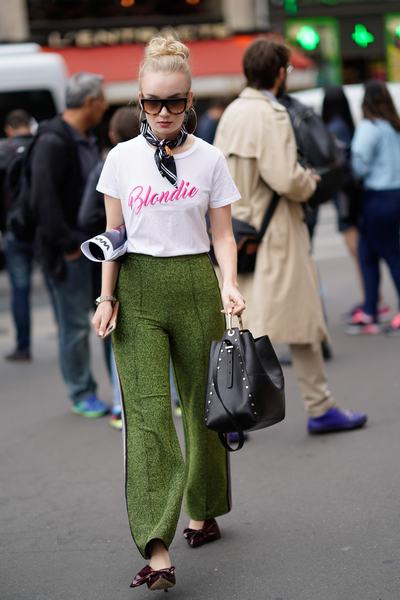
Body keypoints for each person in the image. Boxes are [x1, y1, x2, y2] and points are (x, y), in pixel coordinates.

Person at [91, 35, 245, 591]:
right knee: (148, 413)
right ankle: (157, 546)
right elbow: (113, 235)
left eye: (174, 101)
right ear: (138, 99)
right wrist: (106, 297)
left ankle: (204, 509)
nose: (163, 112)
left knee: (205, 407)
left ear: (190, 99)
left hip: (196, 284)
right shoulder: (120, 158)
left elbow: (222, 234)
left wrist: (229, 283)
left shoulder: (209, 158)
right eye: (152, 101)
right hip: (138, 289)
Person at [215, 38, 367, 435]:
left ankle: (233, 411)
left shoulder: (232, 112)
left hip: (240, 230)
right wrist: (310, 181)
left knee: (240, 324)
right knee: (303, 322)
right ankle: (321, 407)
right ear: (280, 73)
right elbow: (286, 178)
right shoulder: (272, 114)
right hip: (277, 230)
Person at [30, 72, 110, 417]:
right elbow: (43, 198)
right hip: (71, 252)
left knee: (107, 318)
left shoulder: (87, 138)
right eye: (102, 100)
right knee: (76, 327)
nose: (105, 106)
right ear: (90, 102)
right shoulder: (53, 141)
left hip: (94, 247)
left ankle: (119, 390)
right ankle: (81, 392)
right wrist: (68, 245)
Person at [79, 106, 140, 429]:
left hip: (117, 261)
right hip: (131, 261)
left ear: (113, 134)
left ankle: (119, 404)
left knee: (122, 338)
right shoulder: (152, 161)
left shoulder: (107, 164)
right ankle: (172, 399)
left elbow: (88, 216)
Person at [322, 86, 390, 326]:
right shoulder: (353, 126)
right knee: (367, 254)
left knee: (364, 255)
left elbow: (353, 166)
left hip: (352, 199)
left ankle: (373, 303)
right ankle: (371, 303)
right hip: (365, 197)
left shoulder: (338, 129)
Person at [350, 80, 400, 335]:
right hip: (395, 193)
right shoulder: (394, 125)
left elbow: (359, 164)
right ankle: (370, 310)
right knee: (368, 252)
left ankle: (372, 311)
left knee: (389, 255)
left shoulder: (369, 127)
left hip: (377, 196)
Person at [0, 110, 34, 361]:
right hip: (43, 231)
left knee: (20, 291)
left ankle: (23, 347)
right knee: (58, 290)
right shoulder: (41, 146)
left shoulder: (3, 151)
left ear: (9, 130)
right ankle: (65, 340)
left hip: (14, 230)